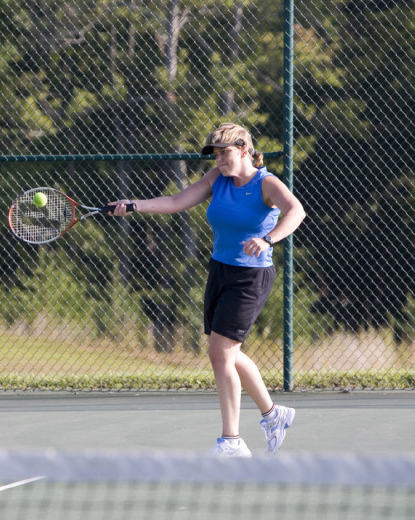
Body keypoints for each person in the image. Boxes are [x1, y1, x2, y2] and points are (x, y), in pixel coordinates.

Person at [109, 123, 306, 457]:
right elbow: (175, 201)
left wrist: (267, 238)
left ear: (244, 149)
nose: (219, 160)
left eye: (225, 152)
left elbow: (296, 211)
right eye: (215, 154)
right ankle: (274, 415)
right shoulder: (217, 180)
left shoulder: (266, 184)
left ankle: (232, 441)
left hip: (251, 276)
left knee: (220, 353)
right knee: (227, 352)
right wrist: (133, 205)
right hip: (220, 270)